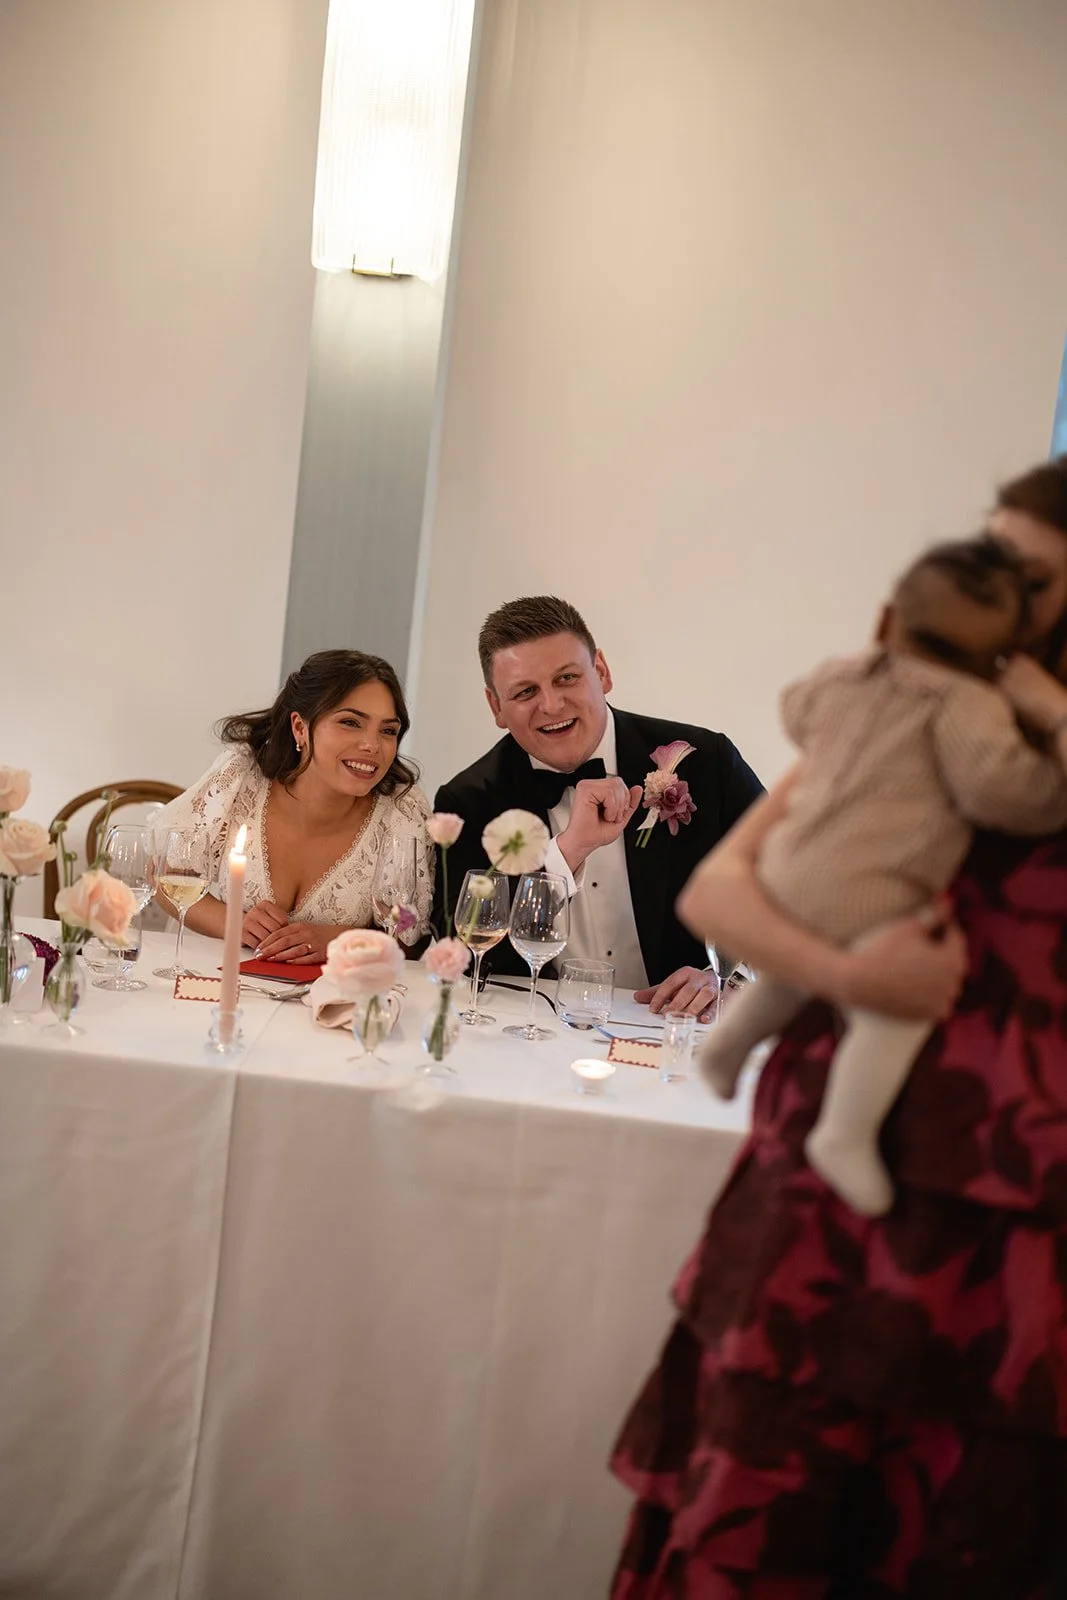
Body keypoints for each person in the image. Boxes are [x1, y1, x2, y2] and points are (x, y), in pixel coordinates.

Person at [609, 457, 1067, 1598]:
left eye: (1026, 571)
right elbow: (717, 893)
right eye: (987, 549)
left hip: (1018, 1215)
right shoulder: (914, 699)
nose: (990, 584)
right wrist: (851, 970)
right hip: (828, 1184)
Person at [700, 534, 1067, 1216]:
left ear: (882, 622)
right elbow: (997, 791)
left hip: (787, 869)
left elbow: (793, 710)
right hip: (871, 893)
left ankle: (725, 1047)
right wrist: (1050, 782)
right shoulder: (966, 705)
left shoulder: (844, 679)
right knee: (889, 1012)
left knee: (787, 974)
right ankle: (845, 1132)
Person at [432, 596, 763, 1014]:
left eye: (567, 678)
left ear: (602, 672)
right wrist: (567, 852)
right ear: (496, 706)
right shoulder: (468, 799)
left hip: (682, 1027)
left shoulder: (705, 761)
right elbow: (465, 952)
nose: (551, 705)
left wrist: (730, 977)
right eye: (525, 691)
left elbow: (794, 882)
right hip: (535, 1032)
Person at [155, 650, 433, 963]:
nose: (372, 745)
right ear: (300, 727)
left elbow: (411, 937)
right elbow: (163, 875)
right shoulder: (240, 778)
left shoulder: (402, 810)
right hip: (213, 979)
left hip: (328, 1001)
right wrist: (234, 923)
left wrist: (343, 941)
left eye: (388, 730)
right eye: (351, 722)